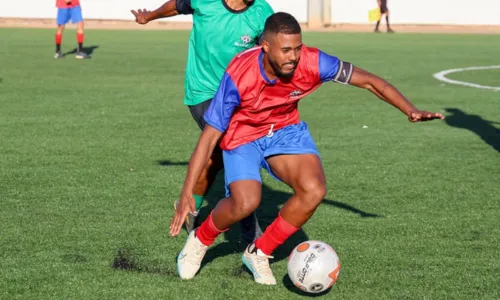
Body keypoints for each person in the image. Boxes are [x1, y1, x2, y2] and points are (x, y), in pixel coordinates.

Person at [170, 12, 444, 285]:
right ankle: (201, 238)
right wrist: (187, 194)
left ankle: (259, 252)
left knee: (314, 190)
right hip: (243, 135)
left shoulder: (314, 62)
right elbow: (208, 139)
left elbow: (370, 81)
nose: (293, 56)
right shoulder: (239, 75)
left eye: (298, 48)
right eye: (286, 50)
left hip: (285, 130)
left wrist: (410, 110)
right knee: (245, 202)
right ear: (265, 46)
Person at [130, 0, 274, 241]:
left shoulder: (262, 11)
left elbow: (268, 51)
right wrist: (150, 16)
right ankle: (253, 233)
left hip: (237, 96)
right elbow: (177, 6)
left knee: (217, 157)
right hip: (203, 93)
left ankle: (190, 205)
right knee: (234, 148)